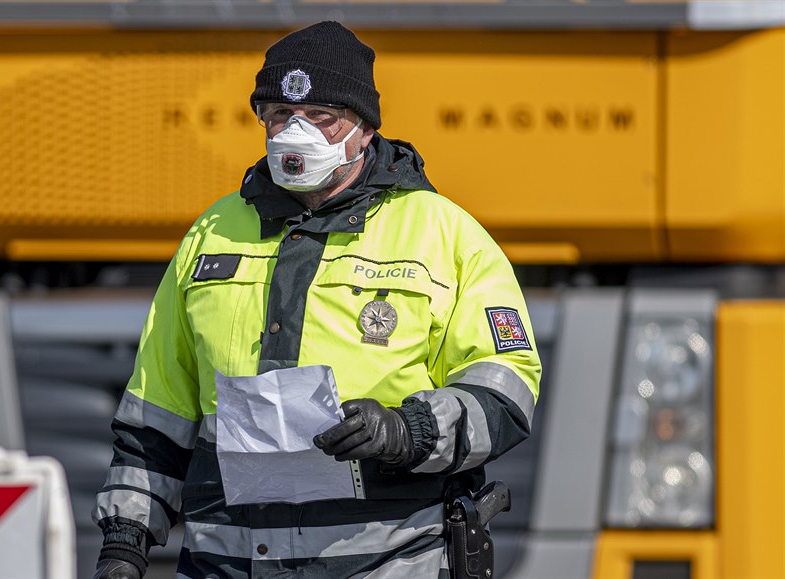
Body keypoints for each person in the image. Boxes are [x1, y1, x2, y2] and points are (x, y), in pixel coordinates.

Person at [92, 21, 541, 579]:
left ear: (363, 128)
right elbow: (156, 412)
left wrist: (407, 431)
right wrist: (125, 543)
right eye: (279, 115)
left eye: (320, 117)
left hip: (387, 563)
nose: (294, 133)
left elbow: (507, 388)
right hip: (225, 564)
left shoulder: (445, 234)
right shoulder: (212, 233)